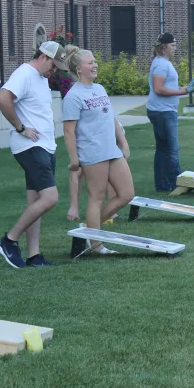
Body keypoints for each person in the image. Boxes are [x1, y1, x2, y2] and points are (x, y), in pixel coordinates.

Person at [0, 41, 69, 268]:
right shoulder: (25, 73)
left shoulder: (40, 78)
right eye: (53, 66)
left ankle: (34, 255)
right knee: (50, 198)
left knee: (35, 201)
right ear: (44, 56)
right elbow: (2, 98)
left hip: (45, 146)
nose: (54, 71)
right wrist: (20, 127)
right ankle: (9, 240)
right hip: (30, 147)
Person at [63, 47, 135, 255]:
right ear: (78, 69)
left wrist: (123, 142)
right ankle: (96, 245)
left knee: (127, 193)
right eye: (89, 62)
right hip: (92, 152)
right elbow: (68, 131)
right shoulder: (73, 96)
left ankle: (90, 229)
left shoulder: (100, 88)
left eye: (94, 61)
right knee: (97, 197)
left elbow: (111, 117)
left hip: (111, 150)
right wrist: (74, 160)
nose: (94, 65)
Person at [146, 33, 194, 192]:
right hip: (163, 112)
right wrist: (181, 92)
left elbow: (166, 87)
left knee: (162, 148)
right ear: (164, 47)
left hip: (161, 110)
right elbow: (158, 88)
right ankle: (178, 184)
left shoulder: (162, 62)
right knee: (172, 148)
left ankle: (162, 185)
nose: (175, 47)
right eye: (172, 45)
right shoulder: (161, 65)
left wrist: (183, 89)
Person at [67, 119, 129, 222]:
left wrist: (124, 144)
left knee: (112, 168)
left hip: (107, 127)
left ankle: (111, 211)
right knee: (77, 172)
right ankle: (74, 208)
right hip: (87, 135)